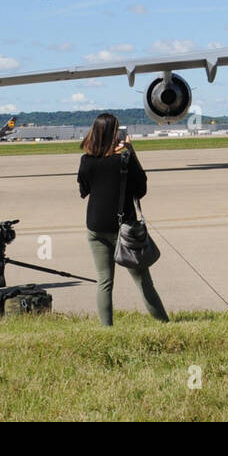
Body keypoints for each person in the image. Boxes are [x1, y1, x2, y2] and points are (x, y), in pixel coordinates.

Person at [77, 112, 169, 324]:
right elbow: (141, 189)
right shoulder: (124, 160)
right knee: (143, 280)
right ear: (113, 134)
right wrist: (131, 152)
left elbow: (84, 191)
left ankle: (106, 328)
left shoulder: (86, 161)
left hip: (95, 227)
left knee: (104, 281)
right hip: (124, 227)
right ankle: (163, 323)